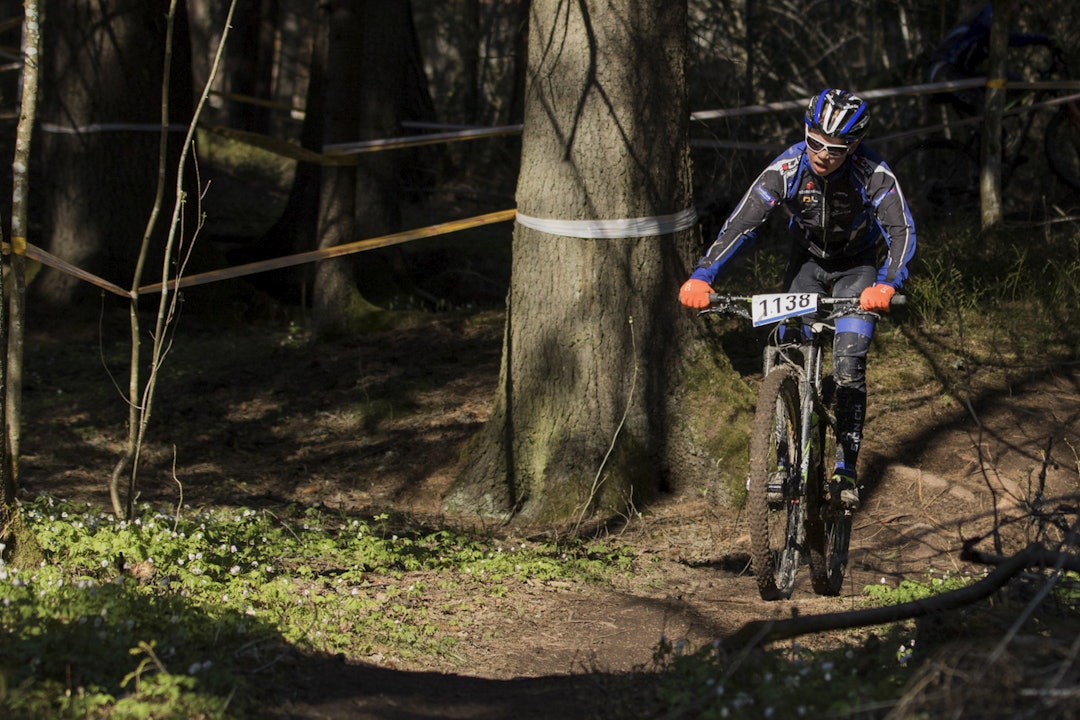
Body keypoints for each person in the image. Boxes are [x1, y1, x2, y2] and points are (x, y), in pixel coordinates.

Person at [678, 88, 916, 510]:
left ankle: (845, 467)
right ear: (805, 131)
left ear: (854, 146)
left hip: (857, 269)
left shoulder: (873, 172)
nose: (823, 155)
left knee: (849, 360)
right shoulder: (786, 169)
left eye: (836, 148)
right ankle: (784, 459)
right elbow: (743, 223)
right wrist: (703, 275)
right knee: (786, 345)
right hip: (806, 263)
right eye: (815, 143)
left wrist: (888, 283)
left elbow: (900, 231)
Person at [927, 3, 1053, 116]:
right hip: (944, 72)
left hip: (961, 75)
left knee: (1014, 82)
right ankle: (989, 137)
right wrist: (1042, 39)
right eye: (1017, 4)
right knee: (983, 107)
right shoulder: (989, 11)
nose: (1018, 11)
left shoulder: (990, 17)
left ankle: (1001, 135)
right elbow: (1005, 37)